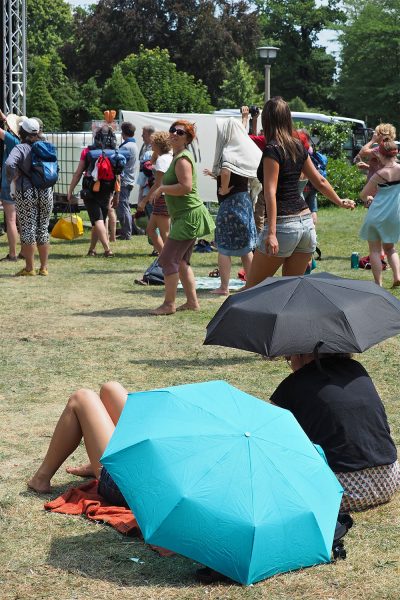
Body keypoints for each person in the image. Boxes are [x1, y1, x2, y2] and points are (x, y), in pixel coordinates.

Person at [244, 97, 355, 288]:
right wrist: (339, 201)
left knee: (251, 290)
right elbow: (319, 180)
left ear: (267, 121)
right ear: (287, 118)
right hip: (306, 226)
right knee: (291, 292)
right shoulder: (297, 145)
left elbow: (270, 192)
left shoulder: (272, 149)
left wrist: (271, 233)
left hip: (283, 227)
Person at [271, 353, 400, 512]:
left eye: (288, 357)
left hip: (340, 492)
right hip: (388, 480)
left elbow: (268, 434)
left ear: (301, 353)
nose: (290, 362)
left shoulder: (293, 385)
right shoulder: (356, 370)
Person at [148, 120, 215, 315]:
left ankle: (169, 304)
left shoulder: (183, 159)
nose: (175, 134)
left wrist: (162, 188)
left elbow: (185, 187)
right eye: (172, 130)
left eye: (180, 132)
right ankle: (192, 302)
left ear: (187, 139)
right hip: (184, 216)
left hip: (188, 217)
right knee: (182, 262)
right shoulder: (176, 156)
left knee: (168, 259)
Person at [27, 381, 129, 507]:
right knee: (111, 388)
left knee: (81, 398)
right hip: (147, 460)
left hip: (133, 485)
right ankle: (95, 464)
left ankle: (40, 478)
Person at [206, 118, 260, 295]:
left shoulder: (229, 150)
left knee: (223, 246)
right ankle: (251, 285)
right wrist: (218, 178)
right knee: (246, 247)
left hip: (230, 204)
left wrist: (222, 188)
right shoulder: (243, 150)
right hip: (244, 201)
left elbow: (226, 171)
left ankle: (224, 287)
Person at [5, 118, 53, 276]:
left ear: (22, 132)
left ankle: (29, 268)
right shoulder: (47, 145)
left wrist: (14, 176)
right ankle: (44, 268)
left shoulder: (20, 148)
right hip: (46, 191)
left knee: (28, 228)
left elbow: (9, 164)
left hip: (26, 192)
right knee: (43, 227)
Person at [67, 124, 116, 257]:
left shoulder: (87, 152)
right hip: (108, 188)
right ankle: (92, 249)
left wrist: (70, 190)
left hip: (90, 188)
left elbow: (78, 173)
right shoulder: (114, 153)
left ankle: (107, 250)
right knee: (98, 219)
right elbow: (118, 175)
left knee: (97, 220)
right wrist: (116, 194)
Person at [359, 140, 400, 287]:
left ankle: (378, 283)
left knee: (375, 251)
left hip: (377, 214)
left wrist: (368, 198)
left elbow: (363, 195)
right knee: (390, 248)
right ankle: (397, 276)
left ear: (380, 154)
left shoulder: (380, 174)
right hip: (395, 215)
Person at [138, 131, 172, 254]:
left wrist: (144, 200)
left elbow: (158, 184)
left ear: (158, 145)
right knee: (151, 230)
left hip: (162, 198)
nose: (151, 146)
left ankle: (169, 259)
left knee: (164, 233)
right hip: (164, 198)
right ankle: (165, 257)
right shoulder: (168, 156)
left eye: (153, 143)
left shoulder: (162, 160)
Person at [0, 110, 23, 262]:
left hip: (9, 184)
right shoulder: (24, 141)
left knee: (10, 220)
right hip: (22, 184)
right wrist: (3, 116)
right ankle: (24, 251)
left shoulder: (11, 140)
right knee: (22, 220)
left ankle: (13, 254)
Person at [115, 121, 138, 240]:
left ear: (123, 133)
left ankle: (126, 233)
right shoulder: (134, 145)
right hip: (130, 180)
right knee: (125, 206)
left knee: (122, 206)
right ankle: (129, 230)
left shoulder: (125, 147)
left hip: (124, 181)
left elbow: (118, 163)